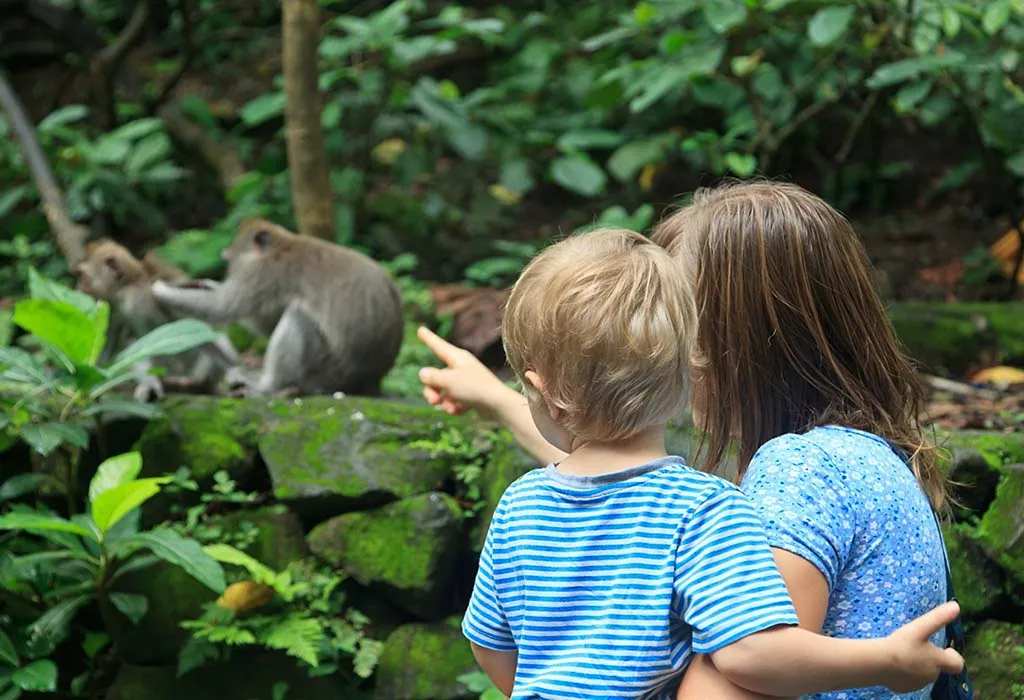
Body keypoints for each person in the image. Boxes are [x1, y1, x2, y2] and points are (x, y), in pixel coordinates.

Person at [417, 181, 954, 700]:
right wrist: (494, 396)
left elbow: (615, 503)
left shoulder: (802, 472)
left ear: (729, 334)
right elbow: (620, 489)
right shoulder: (848, 457)